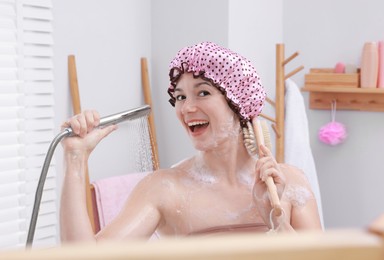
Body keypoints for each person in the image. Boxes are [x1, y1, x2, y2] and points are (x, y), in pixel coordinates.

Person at [60, 42, 321, 242]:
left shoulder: (289, 185)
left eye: (203, 92)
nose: (187, 108)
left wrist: (276, 223)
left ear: (239, 104)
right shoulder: (164, 189)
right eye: (180, 97)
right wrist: (75, 159)